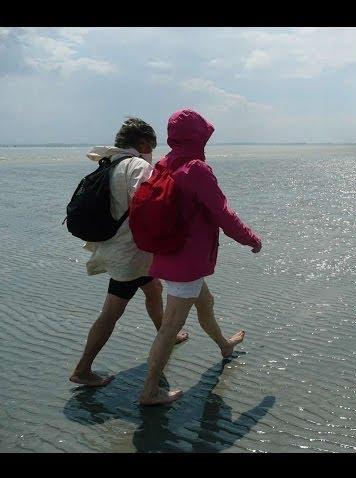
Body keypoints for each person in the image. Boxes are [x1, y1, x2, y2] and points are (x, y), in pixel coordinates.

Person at [138, 109, 262, 406]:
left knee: (205, 303)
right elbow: (223, 214)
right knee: (170, 328)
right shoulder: (196, 169)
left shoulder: (165, 164)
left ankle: (224, 346)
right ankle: (149, 391)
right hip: (187, 261)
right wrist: (251, 239)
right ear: (199, 137)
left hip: (167, 254)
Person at [70, 118, 188, 387]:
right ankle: (83, 369)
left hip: (121, 247)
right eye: (152, 147)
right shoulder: (137, 166)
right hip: (129, 253)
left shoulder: (110, 163)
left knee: (153, 288)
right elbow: (148, 203)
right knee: (112, 311)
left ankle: (167, 332)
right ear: (144, 143)